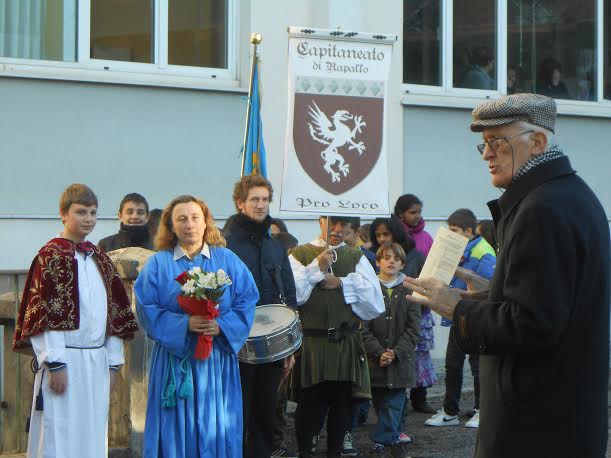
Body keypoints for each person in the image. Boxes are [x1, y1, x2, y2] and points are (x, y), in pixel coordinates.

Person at [405, 93, 610, 457]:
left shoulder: (542, 208)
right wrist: (489, 293)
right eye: (483, 145)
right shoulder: (565, 196)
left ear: (538, 142)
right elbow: (556, 300)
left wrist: (454, 306)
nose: (486, 155)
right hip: (559, 420)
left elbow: (533, 323)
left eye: (496, 143)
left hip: (536, 428)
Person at [13, 183, 138, 458]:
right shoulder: (51, 257)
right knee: (59, 431)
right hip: (65, 362)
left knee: (93, 432)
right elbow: (44, 314)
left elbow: (115, 313)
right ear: (63, 214)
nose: (89, 219)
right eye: (81, 212)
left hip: (97, 361)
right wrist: (55, 362)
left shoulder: (100, 259)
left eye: (93, 213)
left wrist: (114, 363)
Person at [134, 195, 259, 458]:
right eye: (181, 219)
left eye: (195, 218)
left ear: (206, 223)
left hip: (216, 361)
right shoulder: (158, 264)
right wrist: (185, 323)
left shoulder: (227, 259)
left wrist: (222, 325)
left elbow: (247, 299)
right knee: (175, 426)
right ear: (170, 225)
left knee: (215, 423)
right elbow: (146, 307)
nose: (189, 224)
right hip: (174, 360)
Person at [289, 216, 384, 458]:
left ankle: (335, 452)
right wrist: (317, 267)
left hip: (344, 341)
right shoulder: (300, 254)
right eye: (334, 223)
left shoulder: (355, 257)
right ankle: (305, 452)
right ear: (322, 221)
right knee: (309, 403)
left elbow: (374, 304)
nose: (338, 230)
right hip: (311, 342)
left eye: (345, 226)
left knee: (341, 403)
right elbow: (293, 295)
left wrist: (342, 283)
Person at [223, 175, 297, 458]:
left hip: (272, 348)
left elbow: (288, 296)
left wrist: (290, 347)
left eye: (265, 199)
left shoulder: (276, 245)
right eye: (254, 199)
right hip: (236, 345)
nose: (260, 205)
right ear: (240, 203)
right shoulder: (225, 245)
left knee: (267, 414)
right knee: (237, 414)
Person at [425, 209, 495, 429]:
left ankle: (481, 411)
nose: (451, 235)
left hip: (476, 317)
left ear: (468, 231)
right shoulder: (458, 248)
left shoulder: (484, 251)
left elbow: (487, 287)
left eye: (455, 231)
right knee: (452, 365)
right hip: (457, 315)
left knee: (477, 366)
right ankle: (449, 411)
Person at [361, 242, 421, 457]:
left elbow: (414, 327)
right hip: (375, 360)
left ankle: (382, 439)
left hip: (400, 360)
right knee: (381, 401)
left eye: (396, 259)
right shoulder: (369, 287)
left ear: (402, 263)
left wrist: (395, 352)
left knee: (394, 401)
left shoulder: (408, 289)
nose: (391, 261)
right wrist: (379, 352)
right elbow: (363, 326)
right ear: (377, 262)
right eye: (386, 257)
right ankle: (394, 434)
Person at [370, 217, 435, 414]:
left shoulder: (415, 255)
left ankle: (416, 401)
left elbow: (425, 284)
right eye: (378, 235)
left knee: (413, 362)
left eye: (386, 234)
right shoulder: (373, 277)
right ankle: (391, 422)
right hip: (381, 332)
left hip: (411, 313)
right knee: (383, 384)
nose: (381, 238)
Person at [394, 194, 433, 258]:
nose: (418, 216)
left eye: (419, 212)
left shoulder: (426, 237)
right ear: (400, 213)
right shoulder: (392, 234)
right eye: (413, 212)